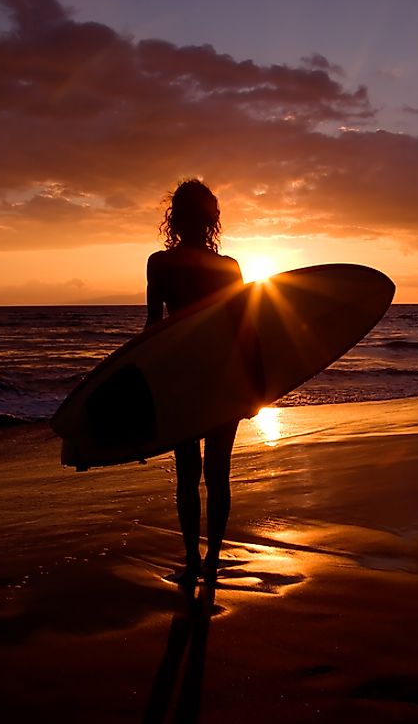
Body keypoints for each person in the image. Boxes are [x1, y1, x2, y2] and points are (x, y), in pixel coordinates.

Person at [145, 179, 244, 586]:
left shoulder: (160, 263)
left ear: (176, 218)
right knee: (219, 472)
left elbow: (153, 327)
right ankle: (213, 560)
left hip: (182, 378)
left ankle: (191, 558)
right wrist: (253, 387)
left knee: (188, 472)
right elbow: (243, 331)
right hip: (222, 379)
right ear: (212, 219)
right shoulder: (229, 268)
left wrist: (146, 383)